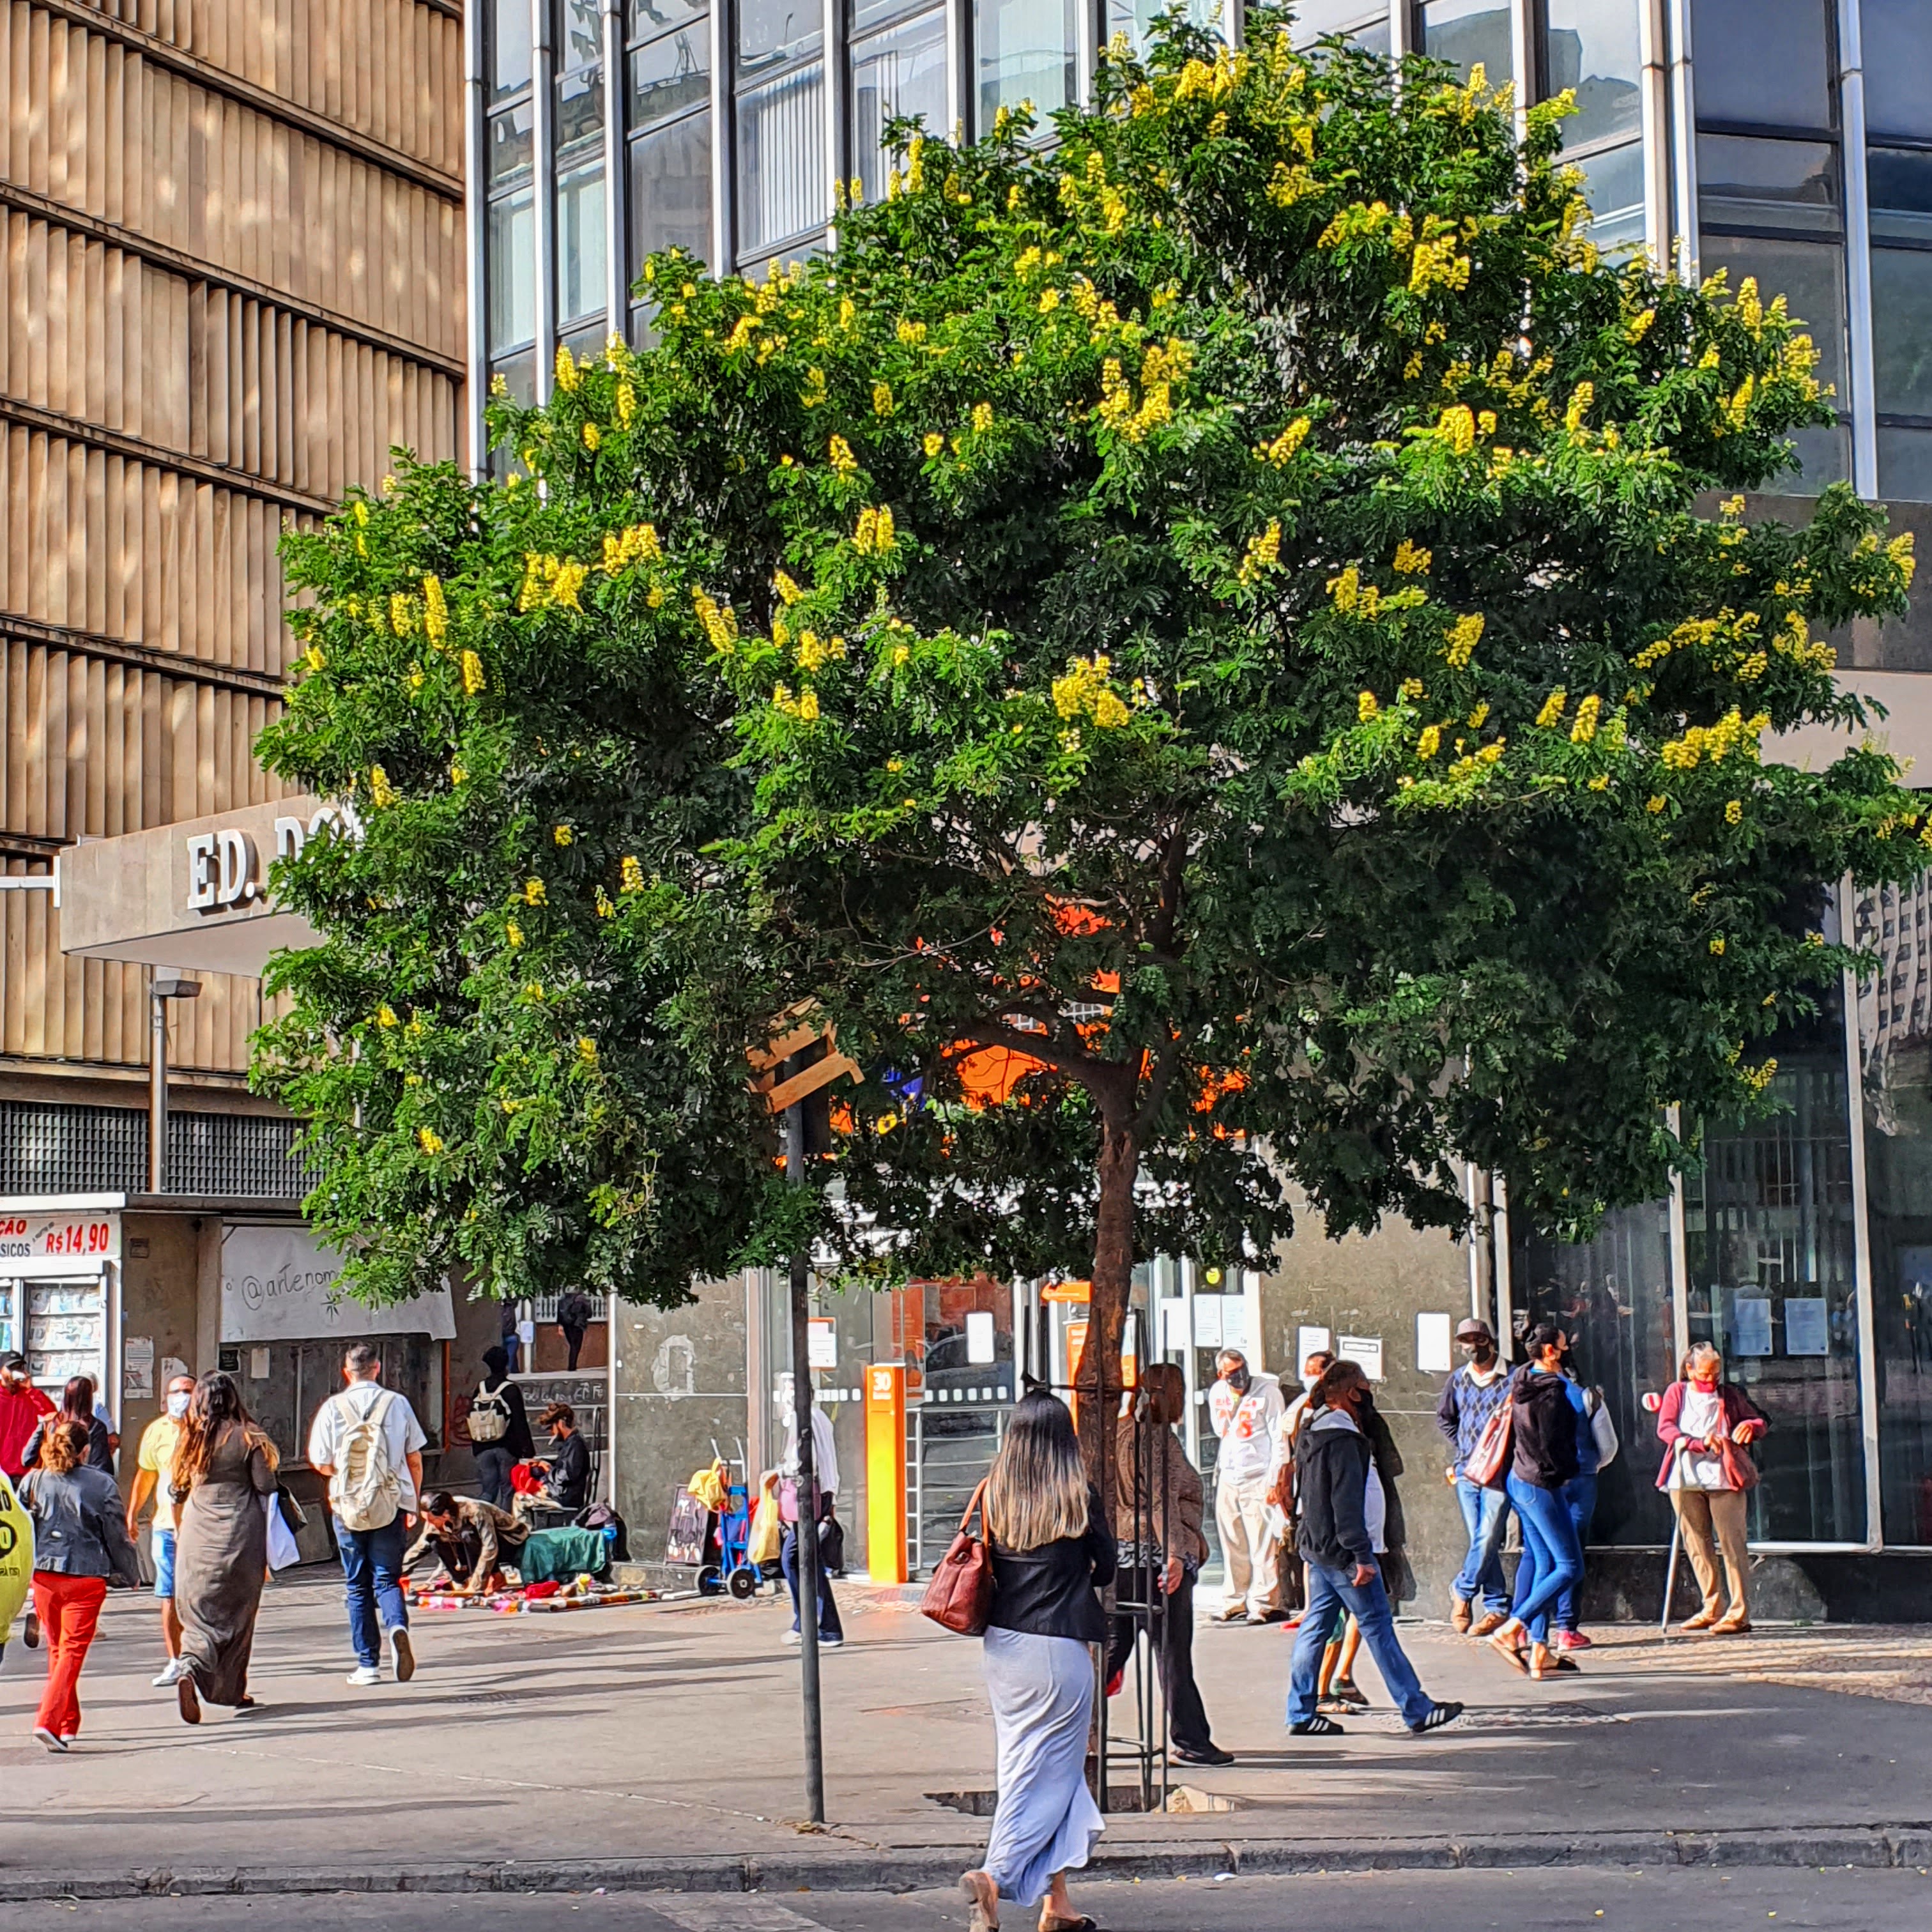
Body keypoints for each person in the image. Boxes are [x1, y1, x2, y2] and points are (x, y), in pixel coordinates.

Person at [959, 1390, 1114, 1932]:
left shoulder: (994, 1492)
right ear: (1066, 1439)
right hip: (1058, 1648)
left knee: (1038, 1769)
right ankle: (994, 1878)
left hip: (1004, 1646)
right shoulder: (1079, 1496)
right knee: (1046, 1775)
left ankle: (1058, 1905)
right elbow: (1107, 1570)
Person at [1285, 1360, 1462, 1737]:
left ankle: (1300, 1712)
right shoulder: (1344, 1439)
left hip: (1319, 1548)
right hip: (1346, 1554)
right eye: (1364, 1388)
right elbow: (1346, 1502)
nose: (1369, 1395)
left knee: (1316, 1626)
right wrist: (1362, 1555)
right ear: (1351, 1392)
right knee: (1377, 1626)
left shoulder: (1313, 1428)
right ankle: (1416, 1708)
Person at [1104, 1365, 1229, 1767]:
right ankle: (1192, 1740)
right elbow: (1161, 1502)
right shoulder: (1158, 1440)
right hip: (1156, 1558)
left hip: (1122, 1557)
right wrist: (1176, 1555)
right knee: (1173, 1654)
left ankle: (1067, 1726)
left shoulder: (1119, 1432)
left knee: (1114, 1649)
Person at [162, 1371, 279, 1724]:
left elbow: (176, 1490)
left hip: (197, 1536)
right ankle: (231, 1690)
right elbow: (266, 1484)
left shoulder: (190, 1439)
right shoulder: (250, 1437)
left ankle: (189, 1668)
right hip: (240, 1536)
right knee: (238, 1616)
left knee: (198, 1614)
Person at [308, 1342, 426, 1688]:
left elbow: (319, 1460)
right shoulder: (397, 1403)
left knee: (357, 1585)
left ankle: (367, 1665)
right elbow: (414, 1459)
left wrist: (347, 1478)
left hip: (347, 1508)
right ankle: (398, 1627)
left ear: (347, 1372)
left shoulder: (333, 1408)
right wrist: (413, 1502)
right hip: (389, 1503)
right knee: (387, 1579)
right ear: (377, 1368)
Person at [18, 1420, 141, 1749]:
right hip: (86, 1576)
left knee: (58, 1650)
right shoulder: (101, 1484)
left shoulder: (34, 1480)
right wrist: (131, 1573)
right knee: (71, 1652)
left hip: (44, 1575)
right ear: (86, 1450)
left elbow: (24, 1527)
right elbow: (116, 1535)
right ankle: (47, 1719)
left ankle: (68, 1724)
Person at [1485, 1322, 1588, 1680]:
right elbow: (1556, 1443)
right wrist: (1571, 1469)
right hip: (1542, 1483)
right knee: (1570, 1566)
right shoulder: (1555, 1392)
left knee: (1544, 1561)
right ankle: (1513, 1627)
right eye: (1562, 1347)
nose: (1567, 1352)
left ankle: (1540, 1648)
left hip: (1520, 1478)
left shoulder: (1522, 1378)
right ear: (1549, 1351)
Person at [1656, 1342, 1767, 1635]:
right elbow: (1665, 1428)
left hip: (1723, 1477)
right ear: (1689, 1369)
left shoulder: (1728, 1394)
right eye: (1705, 1374)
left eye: (1715, 1374)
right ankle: (1711, 1605)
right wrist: (1696, 1442)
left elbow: (1757, 1419)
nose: (1710, 1380)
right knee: (1696, 1544)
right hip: (1684, 1477)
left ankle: (1739, 1612)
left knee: (1732, 1543)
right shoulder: (1676, 1393)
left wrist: (1752, 1427)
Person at [1437, 1318, 1515, 1636]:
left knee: (1488, 1536)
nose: (1470, 1347)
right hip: (1468, 1470)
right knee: (1480, 1540)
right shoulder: (1458, 1379)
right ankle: (1496, 1604)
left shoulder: (1512, 1376)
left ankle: (1462, 1590)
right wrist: (1467, 1446)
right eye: (1464, 1341)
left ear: (1488, 1341)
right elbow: (1445, 1418)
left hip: (1500, 1472)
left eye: (1475, 1339)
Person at [126, 1373, 196, 1686]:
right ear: (165, 1397)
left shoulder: (206, 1431)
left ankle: (202, 1658)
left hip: (199, 1529)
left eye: (188, 1391)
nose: (181, 1396)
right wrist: (132, 1514)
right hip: (165, 1527)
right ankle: (175, 1660)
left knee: (199, 1597)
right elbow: (147, 1475)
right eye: (175, 1392)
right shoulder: (156, 1431)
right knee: (168, 1594)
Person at [1207, 1348, 1285, 1623]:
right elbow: (1220, 1431)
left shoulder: (1268, 1393)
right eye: (1232, 1373)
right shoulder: (1217, 1393)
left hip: (1258, 1474)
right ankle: (1234, 1599)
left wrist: (1274, 1479)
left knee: (1262, 1542)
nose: (1239, 1377)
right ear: (1221, 1374)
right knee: (1232, 1541)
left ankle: (1264, 1603)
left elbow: (1279, 1438)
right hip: (1229, 1474)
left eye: (1242, 1369)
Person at [774, 1372, 843, 1650]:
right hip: (822, 1494)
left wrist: (778, 1472)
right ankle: (821, 1627)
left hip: (807, 1498)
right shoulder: (821, 1418)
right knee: (807, 1561)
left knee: (794, 1559)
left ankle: (811, 1624)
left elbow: (803, 1461)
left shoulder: (801, 1422)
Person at [404, 1491, 532, 1594]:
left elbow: (490, 1547)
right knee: (434, 1540)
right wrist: (394, 1573)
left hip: (510, 1541)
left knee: (468, 1534)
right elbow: (421, 1546)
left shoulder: (475, 1511)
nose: (430, 1524)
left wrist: (477, 1585)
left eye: (432, 1521)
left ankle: (489, 1579)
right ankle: (463, 1580)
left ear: (445, 1516)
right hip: (474, 1542)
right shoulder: (437, 1518)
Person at [468, 1346, 533, 1510]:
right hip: (507, 1448)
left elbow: (471, 1416)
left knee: (488, 1492)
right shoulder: (510, 1389)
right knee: (508, 1491)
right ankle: (505, 1529)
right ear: (506, 1364)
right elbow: (520, 1422)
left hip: (483, 1448)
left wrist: (476, 1446)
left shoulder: (480, 1388)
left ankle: (482, 1523)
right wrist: (527, 1450)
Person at [23, 1377, 114, 1474]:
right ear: (89, 1399)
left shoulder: (49, 1423)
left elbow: (27, 1459)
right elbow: (104, 1468)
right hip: (82, 1486)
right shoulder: (95, 1427)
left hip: (51, 1483)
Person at [0, 1355, 55, 1482]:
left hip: (27, 1470)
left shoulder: (29, 1395)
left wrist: (31, 1389)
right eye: (12, 1368)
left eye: (20, 1368)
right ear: (2, 1371)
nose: (17, 1371)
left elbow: (51, 1415)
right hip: (3, 1471)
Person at [533, 1402, 591, 1511]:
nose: (552, 1432)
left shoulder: (575, 1445)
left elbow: (566, 1475)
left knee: (520, 1500)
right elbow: (563, 1466)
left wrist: (548, 1469)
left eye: (552, 1428)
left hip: (565, 1498)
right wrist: (543, 1463)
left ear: (560, 1424)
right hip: (561, 1493)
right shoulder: (569, 1443)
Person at [556, 1287, 595, 1372]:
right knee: (576, 1346)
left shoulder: (563, 1299)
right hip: (577, 1325)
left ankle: (572, 1366)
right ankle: (572, 1367)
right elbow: (588, 1313)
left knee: (572, 1345)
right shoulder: (581, 1299)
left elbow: (559, 1313)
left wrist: (560, 1325)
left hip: (566, 1325)